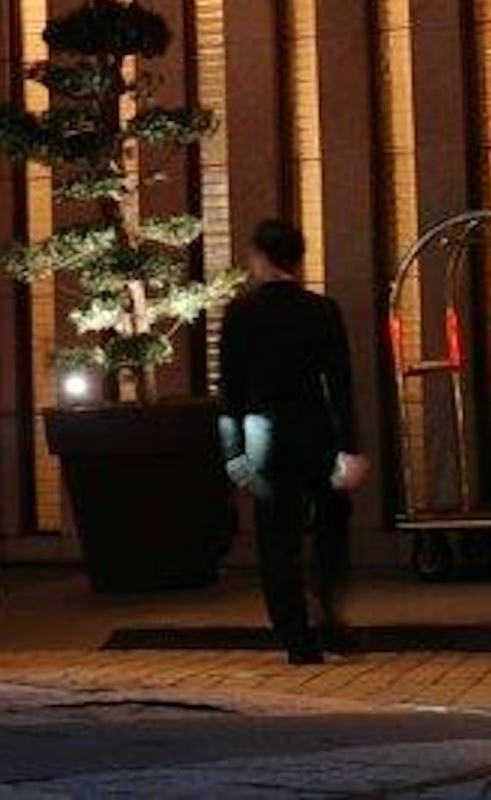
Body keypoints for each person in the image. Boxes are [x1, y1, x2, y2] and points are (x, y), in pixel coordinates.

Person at [216, 217, 365, 662]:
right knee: (331, 524)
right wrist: (350, 447)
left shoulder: (240, 313)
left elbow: (231, 388)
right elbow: (340, 384)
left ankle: (296, 637)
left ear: (260, 257)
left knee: (277, 537)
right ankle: (330, 612)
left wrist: (233, 452)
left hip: (264, 437)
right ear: (298, 260)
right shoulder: (322, 310)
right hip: (316, 431)